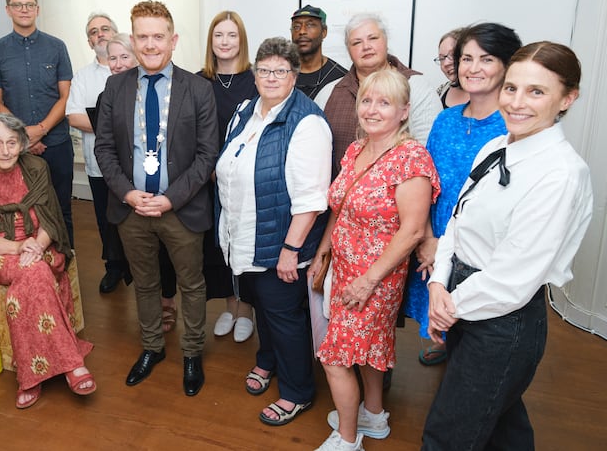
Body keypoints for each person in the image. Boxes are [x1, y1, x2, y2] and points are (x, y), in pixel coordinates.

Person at [421, 41, 593, 449]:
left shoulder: (562, 174)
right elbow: (457, 224)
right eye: (511, 88)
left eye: (536, 92)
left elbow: (513, 279)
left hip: (504, 320)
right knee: (500, 425)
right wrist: (436, 285)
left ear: (568, 98)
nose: (516, 103)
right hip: (462, 296)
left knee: (448, 435)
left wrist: (449, 307)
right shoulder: (496, 146)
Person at [94, 0, 219, 397]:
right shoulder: (114, 87)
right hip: (131, 208)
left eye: (158, 36)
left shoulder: (198, 88)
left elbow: (206, 155)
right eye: (143, 36)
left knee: (191, 283)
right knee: (145, 284)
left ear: (173, 40)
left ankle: (192, 354)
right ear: (132, 40)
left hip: (180, 208)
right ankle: (152, 348)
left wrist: (168, 199)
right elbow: (104, 149)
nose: (150, 44)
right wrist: (128, 194)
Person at [312, 69, 440, 451]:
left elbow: (413, 231)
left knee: (335, 357)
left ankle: (347, 439)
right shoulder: (356, 149)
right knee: (365, 347)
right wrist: (324, 250)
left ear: (403, 111)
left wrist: (369, 280)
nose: (372, 109)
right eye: (367, 100)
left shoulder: (411, 157)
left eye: (384, 102)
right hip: (345, 267)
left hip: (376, 276)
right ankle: (374, 415)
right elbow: (342, 207)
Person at [216, 37, 332, 426]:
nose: (270, 77)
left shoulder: (307, 122)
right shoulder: (247, 111)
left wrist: (289, 249)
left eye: (280, 70)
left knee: (283, 316)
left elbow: (312, 199)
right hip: (246, 237)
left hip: (282, 244)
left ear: (295, 76)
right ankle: (267, 360)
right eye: (264, 69)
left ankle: (298, 391)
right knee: (264, 308)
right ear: (254, 73)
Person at [0, 113, 95, 409]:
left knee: (36, 270)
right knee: (36, 270)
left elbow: (51, 217)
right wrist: (20, 248)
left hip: (40, 244)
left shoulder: (36, 166)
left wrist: (38, 245)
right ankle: (73, 364)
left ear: (21, 145)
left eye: (12, 142)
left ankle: (30, 378)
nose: (5, 150)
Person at [406, 23, 521, 367]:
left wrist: (448, 247)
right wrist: (427, 238)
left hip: (483, 256)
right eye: (466, 58)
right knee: (449, 334)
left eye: (486, 59)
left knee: (479, 350)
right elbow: (424, 182)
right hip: (434, 246)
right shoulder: (446, 120)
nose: (473, 68)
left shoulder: (515, 127)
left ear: (507, 65)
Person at [96, 34, 180, 332]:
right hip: (127, 195)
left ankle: (168, 301)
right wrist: (127, 192)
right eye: (113, 58)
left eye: (124, 57)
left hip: (167, 195)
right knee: (141, 262)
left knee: (166, 255)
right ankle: (151, 319)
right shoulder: (110, 92)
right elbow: (106, 147)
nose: (118, 64)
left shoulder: (174, 90)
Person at [0, 0, 75, 246]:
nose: (24, 9)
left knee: (61, 208)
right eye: (17, 5)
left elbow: (65, 96)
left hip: (57, 142)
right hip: (16, 148)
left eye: (29, 4)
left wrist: (41, 130)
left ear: (37, 9)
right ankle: (35, 266)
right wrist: (24, 135)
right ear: (8, 9)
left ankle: (66, 263)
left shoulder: (56, 47)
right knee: (26, 212)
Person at [322, 12, 442, 177]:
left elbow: (429, 151)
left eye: (373, 38)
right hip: (339, 199)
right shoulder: (329, 92)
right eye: (357, 42)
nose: (366, 46)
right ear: (348, 50)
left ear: (386, 41)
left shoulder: (417, 88)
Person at [198, 10, 257, 343]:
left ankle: (246, 310)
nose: (225, 41)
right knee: (217, 245)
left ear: (242, 40)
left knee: (243, 241)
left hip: (244, 182)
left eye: (232, 35)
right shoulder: (199, 80)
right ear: (211, 41)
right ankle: (229, 305)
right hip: (207, 180)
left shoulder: (256, 79)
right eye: (218, 35)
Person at [65, 12, 124, 292]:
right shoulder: (83, 77)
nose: (99, 34)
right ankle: (113, 268)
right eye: (93, 32)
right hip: (98, 165)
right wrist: (114, 127)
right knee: (105, 219)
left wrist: (104, 124)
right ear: (89, 42)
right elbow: (74, 117)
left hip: (132, 166)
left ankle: (140, 269)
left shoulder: (130, 68)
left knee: (134, 221)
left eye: (104, 29)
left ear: (115, 33)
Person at [290, 5, 348, 101]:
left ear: (324, 32)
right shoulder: (280, 74)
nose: (302, 31)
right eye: (296, 26)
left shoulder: (340, 77)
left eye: (310, 25)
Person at [434, 28, 469, 109]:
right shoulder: (441, 91)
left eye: (452, 55)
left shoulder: (485, 94)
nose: (446, 63)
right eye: (442, 58)